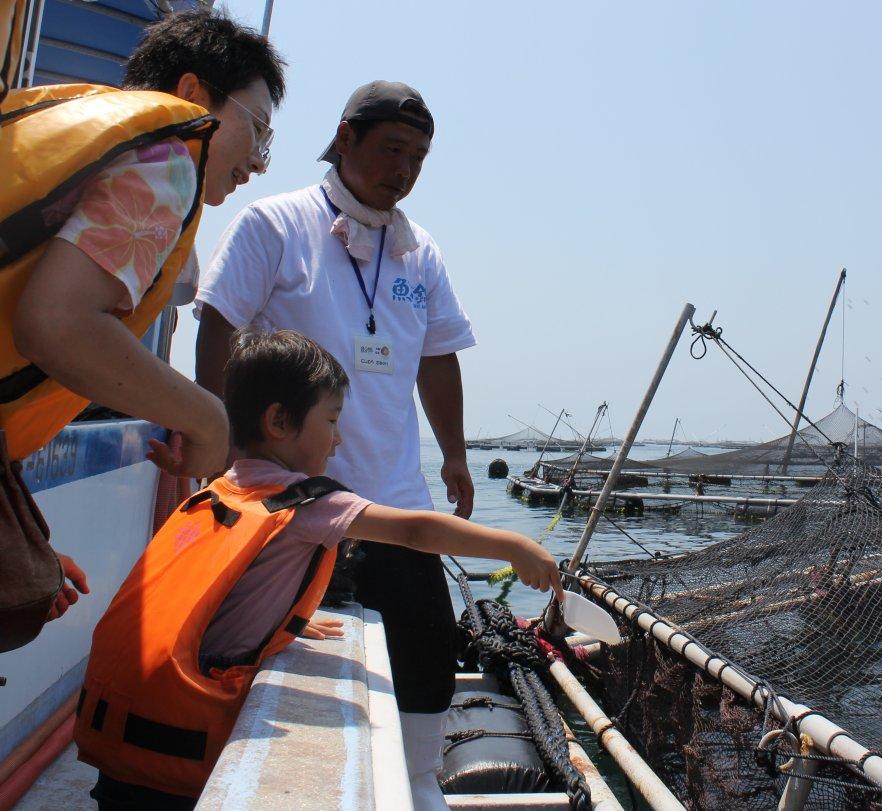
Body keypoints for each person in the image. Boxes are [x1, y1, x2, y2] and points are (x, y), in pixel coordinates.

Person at [76, 329, 563, 810]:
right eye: (331, 421)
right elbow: (414, 532)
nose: (338, 439)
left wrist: (292, 621)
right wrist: (514, 546)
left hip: (126, 747)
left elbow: (230, 592)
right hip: (179, 773)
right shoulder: (306, 502)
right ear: (279, 422)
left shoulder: (222, 490)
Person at [195, 81, 474, 807]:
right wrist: (218, 443)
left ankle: (419, 784)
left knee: (427, 654)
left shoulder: (421, 254)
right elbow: (219, 322)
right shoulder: (274, 223)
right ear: (345, 138)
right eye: (390, 149)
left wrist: (455, 453)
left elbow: (438, 356)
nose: (404, 169)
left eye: (418, 156)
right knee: (281, 665)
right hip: (291, 509)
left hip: (395, 500)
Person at [3, 9, 286, 626]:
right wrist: (209, 419)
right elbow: (56, 323)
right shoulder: (168, 160)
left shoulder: (84, 144)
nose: (260, 163)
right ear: (191, 95)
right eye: (258, 131)